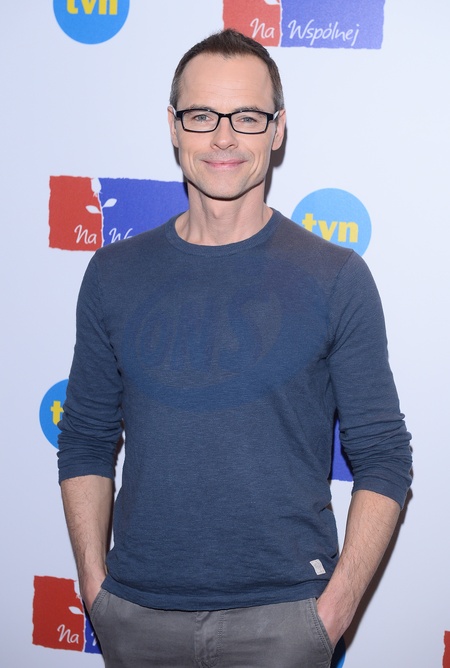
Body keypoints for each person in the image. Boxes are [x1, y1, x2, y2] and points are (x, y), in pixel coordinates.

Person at [58, 28, 412, 668]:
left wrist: (332, 613)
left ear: (278, 130)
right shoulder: (113, 274)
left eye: (247, 117)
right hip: (135, 616)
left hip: (289, 621)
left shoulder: (335, 277)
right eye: (202, 116)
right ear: (174, 126)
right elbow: (85, 437)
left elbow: (384, 455)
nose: (224, 137)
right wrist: (94, 588)